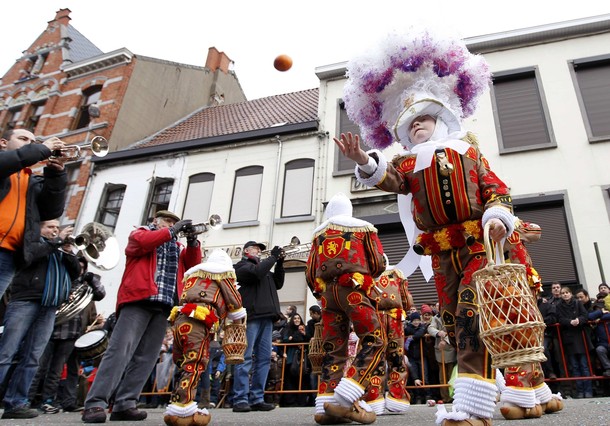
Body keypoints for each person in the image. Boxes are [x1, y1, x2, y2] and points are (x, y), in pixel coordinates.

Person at [334, 28, 559, 425]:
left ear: (439, 120)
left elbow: (497, 191)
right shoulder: (410, 162)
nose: (416, 125)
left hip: (476, 247)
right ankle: (524, 393)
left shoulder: (468, 153)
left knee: (475, 315)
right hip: (441, 254)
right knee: (456, 323)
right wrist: (364, 160)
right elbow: (389, 178)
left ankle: (474, 409)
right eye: (411, 123)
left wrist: (498, 218)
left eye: (423, 119)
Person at [81, 210, 201, 423]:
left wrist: (193, 242)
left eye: (174, 222)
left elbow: (192, 266)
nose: (171, 224)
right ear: (155, 221)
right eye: (167, 221)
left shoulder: (176, 246)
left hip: (164, 305)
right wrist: (172, 231)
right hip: (138, 299)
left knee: (147, 357)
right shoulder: (140, 234)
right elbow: (145, 243)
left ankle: (125, 403)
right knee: (119, 352)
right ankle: (95, 403)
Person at [305, 192, 386, 425]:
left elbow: (310, 272)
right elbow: (377, 262)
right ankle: (346, 396)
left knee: (333, 347)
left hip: (328, 297)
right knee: (374, 338)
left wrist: (323, 292)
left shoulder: (318, 235)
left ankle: (326, 404)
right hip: (353, 290)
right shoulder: (363, 228)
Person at [0, 219, 80, 419]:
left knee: (33, 358)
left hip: (49, 307)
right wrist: (57, 242)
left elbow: (76, 273)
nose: (55, 230)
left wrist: (69, 251)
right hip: (25, 301)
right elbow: (29, 258)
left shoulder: (59, 249)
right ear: (40, 229)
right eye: (50, 227)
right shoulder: (31, 242)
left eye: (56, 228)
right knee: (6, 353)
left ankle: (16, 403)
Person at [163, 249, 246, 426]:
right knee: (195, 363)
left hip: (179, 320)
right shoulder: (222, 273)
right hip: (198, 322)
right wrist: (237, 316)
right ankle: (183, 408)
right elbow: (234, 301)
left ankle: (176, 404)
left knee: (183, 364)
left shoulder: (193, 275)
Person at [30, 256, 106, 413]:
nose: (79, 270)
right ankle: (27, 399)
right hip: (51, 329)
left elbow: (100, 293)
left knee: (57, 370)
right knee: (39, 367)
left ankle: (49, 400)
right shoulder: (61, 280)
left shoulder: (85, 287)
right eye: (77, 267)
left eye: (82, 268)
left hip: (72, 333)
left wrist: (91, 279)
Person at [0, 129, 67, 302]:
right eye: (23, 139)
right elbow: (15, 159)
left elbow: (51, 212)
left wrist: (56, 174)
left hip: (9, 256)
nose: (30, 143)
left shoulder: (31, 180)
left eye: (33, 141)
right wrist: (42, 148)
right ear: (3, 143)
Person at [231, 240, 285, 413]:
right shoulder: (241, 267)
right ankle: (240, 398)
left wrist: (280, 263)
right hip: (252, 317)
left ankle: (257, 398)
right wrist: (273, 257)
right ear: (246, 251)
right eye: (256, 249)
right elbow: (256, 274)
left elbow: (278, 283)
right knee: (245, 358)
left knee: (263, 360)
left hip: (267, 318)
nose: (259, 251)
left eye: (260, 250)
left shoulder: (264, 270)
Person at [366, 258, 412, 414]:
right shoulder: (396, 274)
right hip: (393, 318)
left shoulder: (367, 274)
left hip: (375, 318)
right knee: (396, 357)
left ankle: (373, 397)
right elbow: (406, 299)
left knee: (374, 357)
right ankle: (397, 395)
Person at [555, 286, 593, 399]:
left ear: (571, 294)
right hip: (569, 338)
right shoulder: (559, 306)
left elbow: (585, 315)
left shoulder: (577, 303)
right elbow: (560, 319)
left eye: (567, 292)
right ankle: (580, 391)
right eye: (563, 293)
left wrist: (579, 320)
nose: (565, 294)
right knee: (574, 366)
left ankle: (588, 390)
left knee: (584, 365)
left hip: (580, 337)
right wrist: (569, 321)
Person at [428, 303, 457, 404]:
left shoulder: (452, 315)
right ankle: (445, 398)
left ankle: (453, 396)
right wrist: (438, 333)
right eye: (437, 306)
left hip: (451, 348)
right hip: (440, 350)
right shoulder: (436, 318)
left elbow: (455, 330)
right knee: (442, 376)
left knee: (451, 375)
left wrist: (445, 339)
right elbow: (430, 328)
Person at [281, 313, 309, 407]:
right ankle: (290, 401)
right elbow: (285, 340)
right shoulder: (288, 329)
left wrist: (297, 337)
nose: (297, 320)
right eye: (295, 318)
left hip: (303, 358)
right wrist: (293, 338)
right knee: (290, 379)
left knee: (303, 379)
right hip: (291, 357)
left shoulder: (304, 328)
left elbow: (307, 339)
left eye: (298, 318)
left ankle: (301, 401)